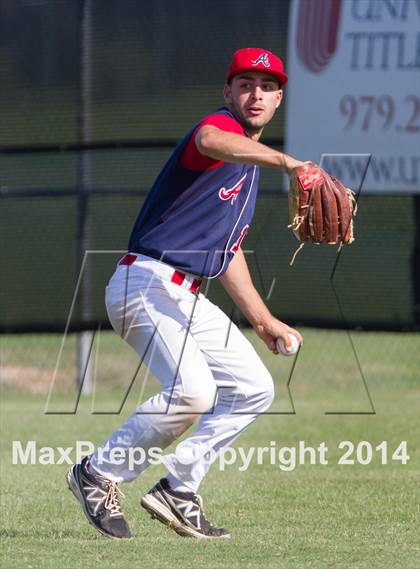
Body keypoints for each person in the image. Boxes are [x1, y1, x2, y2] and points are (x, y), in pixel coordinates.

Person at [67, 47, 304, 540]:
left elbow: (228, 253)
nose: (254, 94)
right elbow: (210, 139)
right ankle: (98, 473)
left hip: (188, 294)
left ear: (279, 97)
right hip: (146, 281)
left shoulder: (248, 172)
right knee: (194, 391)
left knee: (253, 389)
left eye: (266, 86)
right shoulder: (222, 131)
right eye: (244, 84)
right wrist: (290, 163)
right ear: (227, 92)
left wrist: (263, 321)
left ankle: (178, 489)